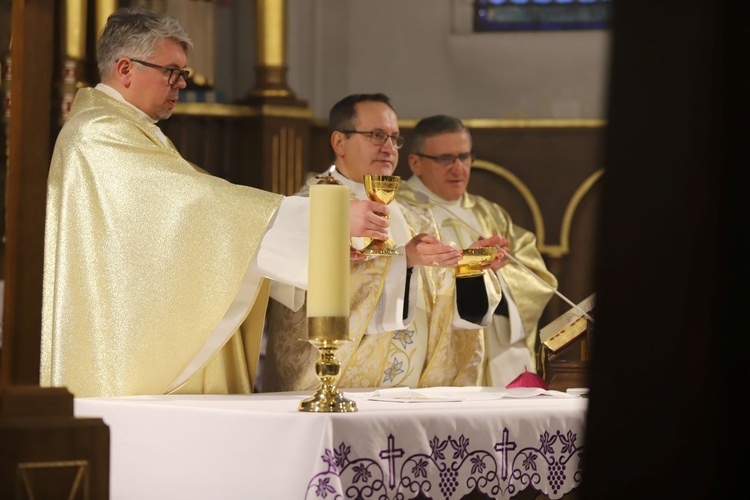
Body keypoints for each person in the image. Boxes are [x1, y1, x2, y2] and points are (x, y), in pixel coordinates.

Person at [40, 8, 389, 398]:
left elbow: (194, 216)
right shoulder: (98, 134)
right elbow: (199, 206)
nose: (180, 85)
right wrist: (327, 219)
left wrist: (320, 240)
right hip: (122, 361)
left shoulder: (127, 131)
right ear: (125, 69)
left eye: (182, 74)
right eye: (171, 72)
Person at [262, 94, 504, 391]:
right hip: (343, 385)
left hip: (418, 392)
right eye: (377, 136)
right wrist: (405, 260)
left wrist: (469, 266)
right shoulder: (305, 211)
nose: (389, 148)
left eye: (394, 138)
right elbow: (310, 294)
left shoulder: (417, 214)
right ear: (339, 143)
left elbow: (441, 298)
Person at [399, 115, 557, 387]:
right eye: (445, 159)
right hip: (435, 356)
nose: (458, 168)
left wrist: (496, 278)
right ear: (416, 162)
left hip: (496, 353)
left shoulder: (488, 213)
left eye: (465, 157)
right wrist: (468, 272)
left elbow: (536, 278)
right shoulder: (397, 210)